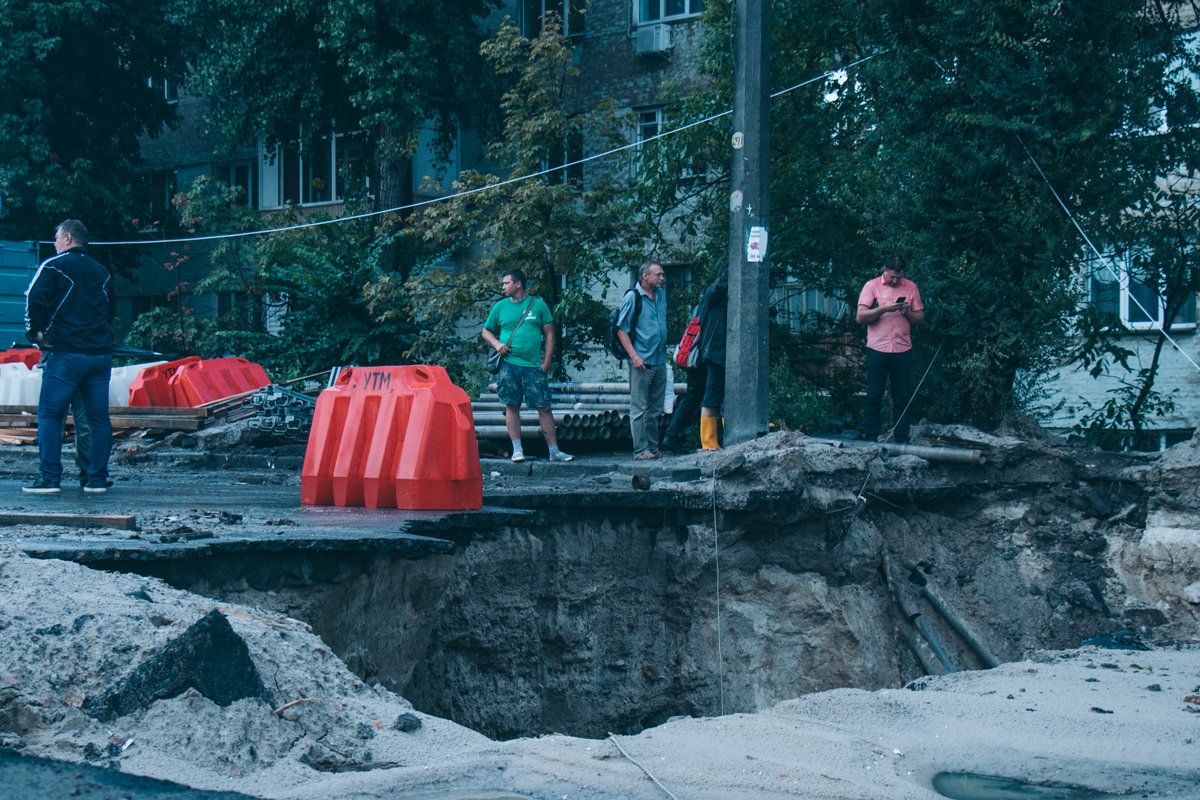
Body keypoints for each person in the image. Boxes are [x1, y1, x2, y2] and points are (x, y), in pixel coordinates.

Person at [23, 220, 116, 493]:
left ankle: (50, 479)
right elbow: (111, 310)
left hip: (65, 354)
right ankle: (96, 479)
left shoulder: (54, 266)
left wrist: (36, 335)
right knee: (98, 419)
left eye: (55, 238)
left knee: (51, 415)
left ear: (66, 238)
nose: (53, 244)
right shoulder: (102, 272)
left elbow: (33, 300)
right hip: (99, 355)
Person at [482, 269, 573, 463]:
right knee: (512, 406)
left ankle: (554, 451)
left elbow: (549, 333)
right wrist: (498, 345)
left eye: (506, 283)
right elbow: (486, 332)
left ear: (518, 284)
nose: (503, 287)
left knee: (544, 407)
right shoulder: (500, 307)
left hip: (533, 366)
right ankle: (517, 450)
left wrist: (546, 362)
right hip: (508, 365)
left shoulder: (538, 305)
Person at [855, 254, 925, 444]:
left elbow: (920, 318)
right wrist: (883, 309)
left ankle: (902, 438)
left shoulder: (910, 286)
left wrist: (907, 312)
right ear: (884, 270)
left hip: (902, 348)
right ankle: (870, 437)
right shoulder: (871, 286)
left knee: (901, 395)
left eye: (899, 277)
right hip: (878, 347)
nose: (895, 281)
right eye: (892, 276)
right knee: (874, 394)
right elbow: (860, 317)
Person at [662, 270, 728, 454]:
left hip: (696, 354)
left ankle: (672, 436)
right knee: (710, 398)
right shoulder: (718, 300)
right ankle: (708, 444)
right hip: (707, 355)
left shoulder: (706, 296)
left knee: (695, 397)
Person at [616, 261, 667, 460]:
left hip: (659, 360)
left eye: (662, 275)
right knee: (639, 407)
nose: (662, 278)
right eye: (658, 275)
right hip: (642, 360)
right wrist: (634, 357)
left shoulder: (660, 295)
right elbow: (622, 330)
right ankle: (640, 449)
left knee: (655, 408)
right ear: (645, 276)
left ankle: (652, 447)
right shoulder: (633, 297)